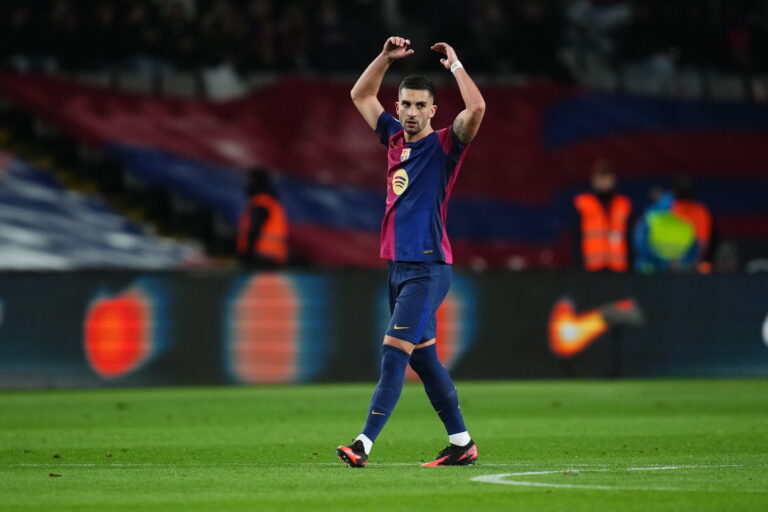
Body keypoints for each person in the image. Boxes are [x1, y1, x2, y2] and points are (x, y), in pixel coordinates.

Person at [336, 36, 485, 468]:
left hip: (428, 267)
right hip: (398, 267)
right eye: (406, 104)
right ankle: (462, 444)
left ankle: (363, 443)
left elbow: (475, 110)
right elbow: (360, 95)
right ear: (398, 106)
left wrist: (456, 65)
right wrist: (382, 57)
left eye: (422, 105)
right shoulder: (394, 138)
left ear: (433, 110)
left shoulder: (444, 146)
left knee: (393, 351)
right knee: (424, 358)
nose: (413, 112)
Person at [572, 159, 632, 272]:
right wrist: (578, 267)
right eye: (600, 177)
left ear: (613, 179)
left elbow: (629, 237)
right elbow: (575, 238)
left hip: (618, 269)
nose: (604, 182)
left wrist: (630, 266)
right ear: (594, 180)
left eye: (607, 177)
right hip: (591, 268)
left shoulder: (623, 204)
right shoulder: (583, 203)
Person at [633, 188, 699, 273]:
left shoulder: (645, 223)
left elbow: (641, 248)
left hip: (653, 274)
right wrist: (679, 263)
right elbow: (694, 253)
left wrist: (665, 263)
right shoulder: (685, 225)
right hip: (673, 273)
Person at [236, 166, 288, 268]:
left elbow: (254, 229)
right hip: (271, 258)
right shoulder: (270, 203)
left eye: (249, 181)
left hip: (261, 260)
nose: (246, 184)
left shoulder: (261, 203)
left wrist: (247, 255)